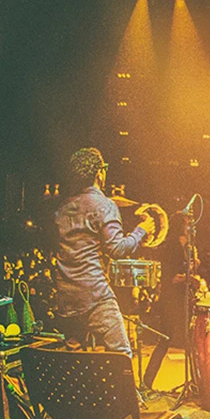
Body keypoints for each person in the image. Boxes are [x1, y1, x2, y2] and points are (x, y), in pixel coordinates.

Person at [54, 147, 154, 356]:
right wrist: (141, 231)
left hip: (66, 296)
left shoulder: (62, 208)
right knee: (121, 355)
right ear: (100, 173)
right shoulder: (104, 205)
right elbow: (116, 249)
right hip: (94, 295)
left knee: (73, 357)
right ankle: (119, 391)